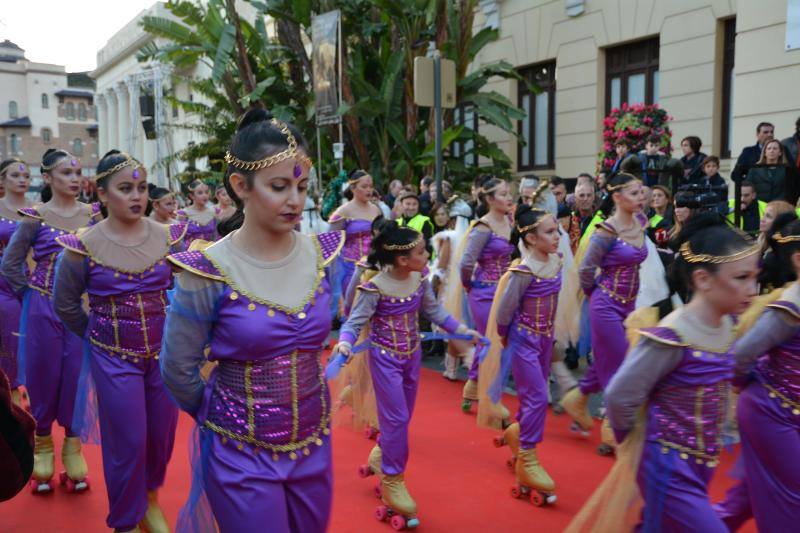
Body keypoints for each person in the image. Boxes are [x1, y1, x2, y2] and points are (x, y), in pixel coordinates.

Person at [160, 110, 343, 532]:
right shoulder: (208, 270)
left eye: (301, 186)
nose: (295, 200)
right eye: (279, 187)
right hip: (238, 450)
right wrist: (223, 415)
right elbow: (177, 369)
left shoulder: (321, 256)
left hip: (314, 442)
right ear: (240, 185)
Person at [567, 213, 759, 532]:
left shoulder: (729, 326)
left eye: (755, 277)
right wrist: (640, 445)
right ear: (703, 279)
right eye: (741, 278)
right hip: (666, 462)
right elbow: (620, 396)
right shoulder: (671, 335)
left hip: (701, 462)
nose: (752, 289)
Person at [53, 151, 185, 533]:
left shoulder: (168, 237)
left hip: (163, 357)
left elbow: (185, 293)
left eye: (142, 188)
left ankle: (149, 501)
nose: (137, 196)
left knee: (160, 437)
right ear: (103, 193)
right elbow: (65, 304)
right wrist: (100, 338)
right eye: (125, 188)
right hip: (113, 359)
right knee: (127, 441)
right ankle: (125, 521)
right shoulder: (82, 246)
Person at [335, 221, 478, 528]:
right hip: (384, 360)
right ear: (402, 259)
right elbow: (353, 321)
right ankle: (393, 478)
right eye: (421, 251)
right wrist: (345, 344)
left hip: (412, 357)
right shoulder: (374, 288)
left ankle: (381, 456)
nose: (427, 255)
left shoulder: (418, 281)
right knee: (397, 418)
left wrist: (461, 330)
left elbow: (435, 312)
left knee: (404, 417)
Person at [1, 149, 102, 493]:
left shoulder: (94, 215)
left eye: (77, 173)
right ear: (47, 179)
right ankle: (43, 443)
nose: (74, 179)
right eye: (66, 174)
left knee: (75, 375)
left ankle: (72, 445)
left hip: (81, 308)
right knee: (45, 376)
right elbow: (11, 262)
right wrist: (27, 295)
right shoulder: (35, 217)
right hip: (43, 308)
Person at [715, 212, 800, 530]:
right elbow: (740, 357)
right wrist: (748, 388)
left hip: (789, 412)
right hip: (770, 411)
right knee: (794, 493)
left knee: (748, 494)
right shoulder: (789, 309)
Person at [561, 173, 648, 455]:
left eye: (640, 192)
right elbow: (586, 269)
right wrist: (594, 295)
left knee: (607, 361)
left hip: (630, 306)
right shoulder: (605, 231)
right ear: (617, 198)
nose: (640, 198)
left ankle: (579, 397)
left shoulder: (641, 223)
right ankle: (612, 427)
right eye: (634, 193)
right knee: (622, 363)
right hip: (606, 304)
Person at [486, 205, 563, 504]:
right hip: (523, 342)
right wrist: (506, 338)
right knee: (536, 398)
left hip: (544, 339)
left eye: (556, 230)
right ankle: (528, 459)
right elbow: (505, 311)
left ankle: (516, 435)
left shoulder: (556, 263)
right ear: (530, 239)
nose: (556, 237)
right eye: (549, 232)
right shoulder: (523, 271)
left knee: (533, 397)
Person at [459, 178, 515, 411]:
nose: (509, 197)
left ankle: (473, 384)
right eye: (503, 194)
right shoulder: (483, 227)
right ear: (490, 200)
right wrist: (469, 285)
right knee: (490, 341)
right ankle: (490, 396)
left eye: (509, 192)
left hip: (507, 290)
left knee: (503, 340)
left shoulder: (511, 221)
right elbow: (466, 262)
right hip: (483, 291)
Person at [328, 170, 383, 318]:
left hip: (375, 265)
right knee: (354, 308)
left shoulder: (376, 209)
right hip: (350, 267)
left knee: (376, 308)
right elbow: (330, 242)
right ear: (353, 188)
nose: (369, 190)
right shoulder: (343, 211)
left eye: (371, 186)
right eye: (364, 186)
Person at [0, 158, 30, 406]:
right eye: (15, 176)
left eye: (26, 176)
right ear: (2, 180)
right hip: (2, 284)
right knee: (9, 335)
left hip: (34, 283)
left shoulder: (39, 210)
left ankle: (31, 384)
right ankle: (10, 389)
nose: (22, 180)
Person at [747, 138, 794, 203]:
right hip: (759, 206)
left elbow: (791, 191)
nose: (772, 151)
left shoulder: (787, 170)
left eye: (775, 148)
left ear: (780, 153)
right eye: (769, 148)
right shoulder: (754, 169)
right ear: (765, 152)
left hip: (779, 207)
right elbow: (748, 188)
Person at [176, 180, 220, 247]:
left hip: (209, 251)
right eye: (200, 193)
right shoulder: (183, 214)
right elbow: (179, 238)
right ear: (192, 196)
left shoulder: (215, 212)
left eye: (206, 192)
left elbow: (217, 236)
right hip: (190, 253)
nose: (205, 195)